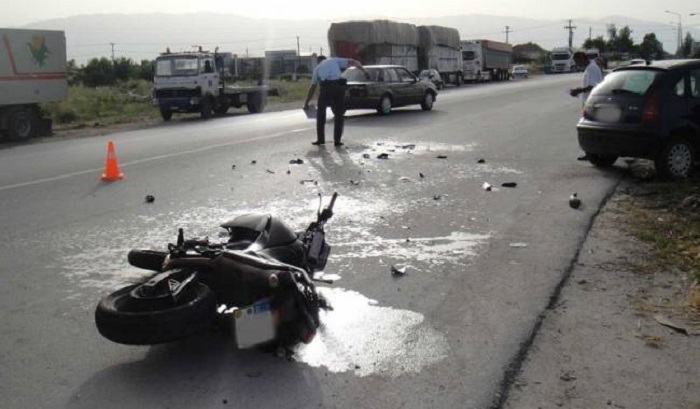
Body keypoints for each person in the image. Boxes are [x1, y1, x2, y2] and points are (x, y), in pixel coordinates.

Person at [303, 55, 369, 147]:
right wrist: (364, 71)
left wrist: (306, 103)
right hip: (339, 88)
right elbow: (354, 61)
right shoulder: (334, 60)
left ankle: (320, 139)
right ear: (325, 59)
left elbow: (313, 87)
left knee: (321, 114)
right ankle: (337, 141)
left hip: (325, 88)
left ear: (318, 61)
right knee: (339, 114)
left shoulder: (317, 68)